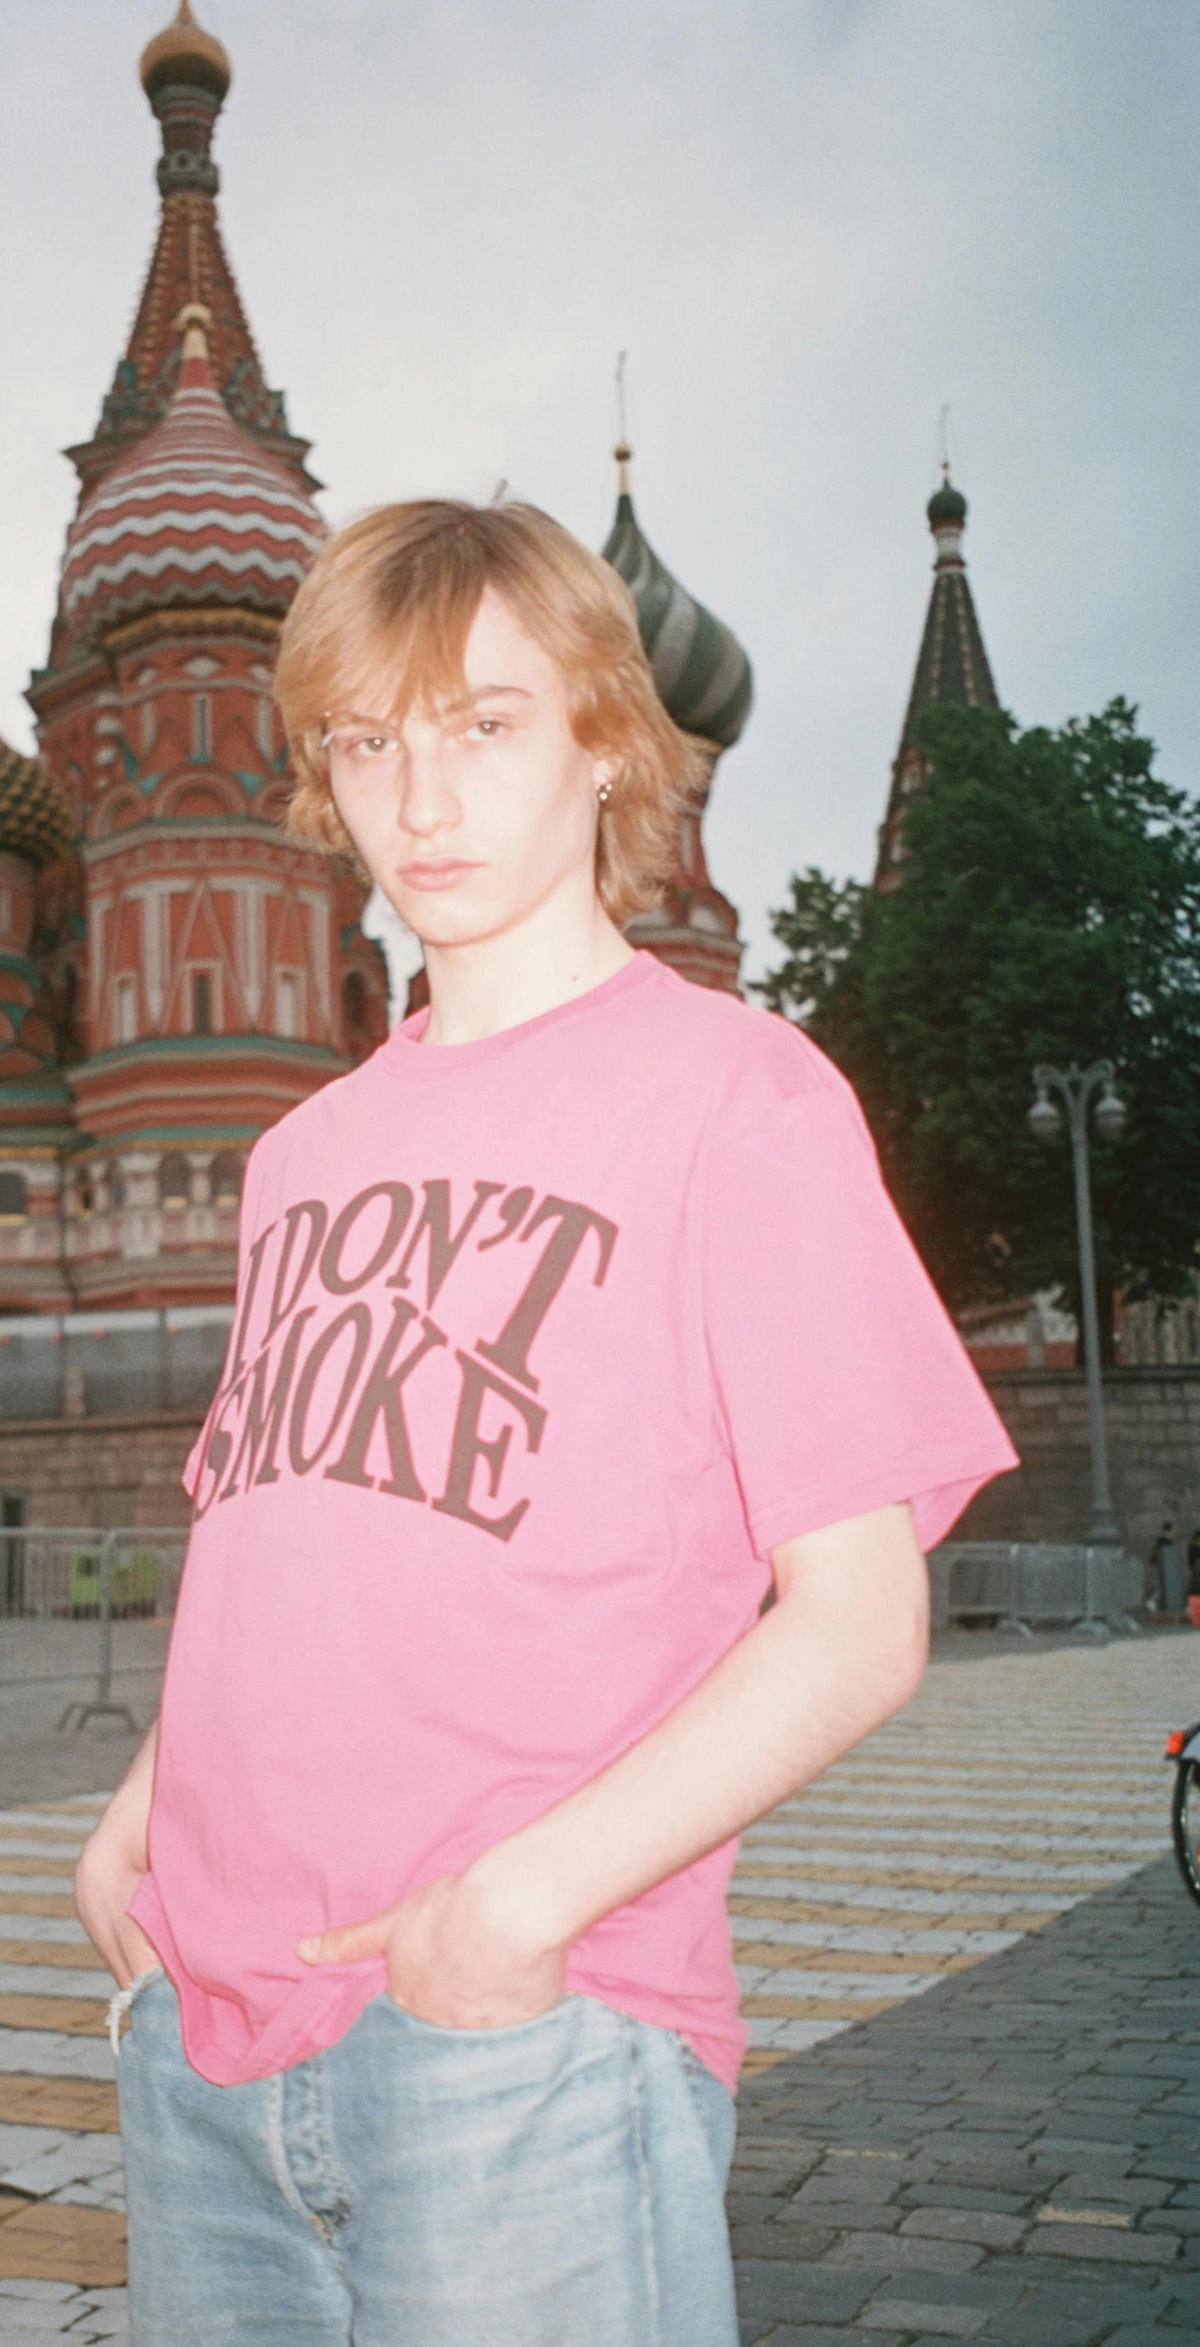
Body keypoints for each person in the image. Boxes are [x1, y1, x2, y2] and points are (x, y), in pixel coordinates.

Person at [74, 499, 1018, 2347]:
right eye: (367, 741)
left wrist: (512, 1917)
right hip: (202, 2042)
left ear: (602, 738)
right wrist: (134, 1824)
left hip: (518, 2043)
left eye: (483, 725)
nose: (418, 799)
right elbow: (286, 1527)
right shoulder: (299, 1155)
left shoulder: (737, 1095)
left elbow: (857, 1616)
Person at [1153, 1519, 1183, 1617]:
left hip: (1171, 1571)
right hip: (1164, 1570)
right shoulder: (1162, 1541)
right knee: (1161, 1588)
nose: (1175, 1530)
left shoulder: (1171, 1541)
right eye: (1174, 1528)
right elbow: (1156, 1555)